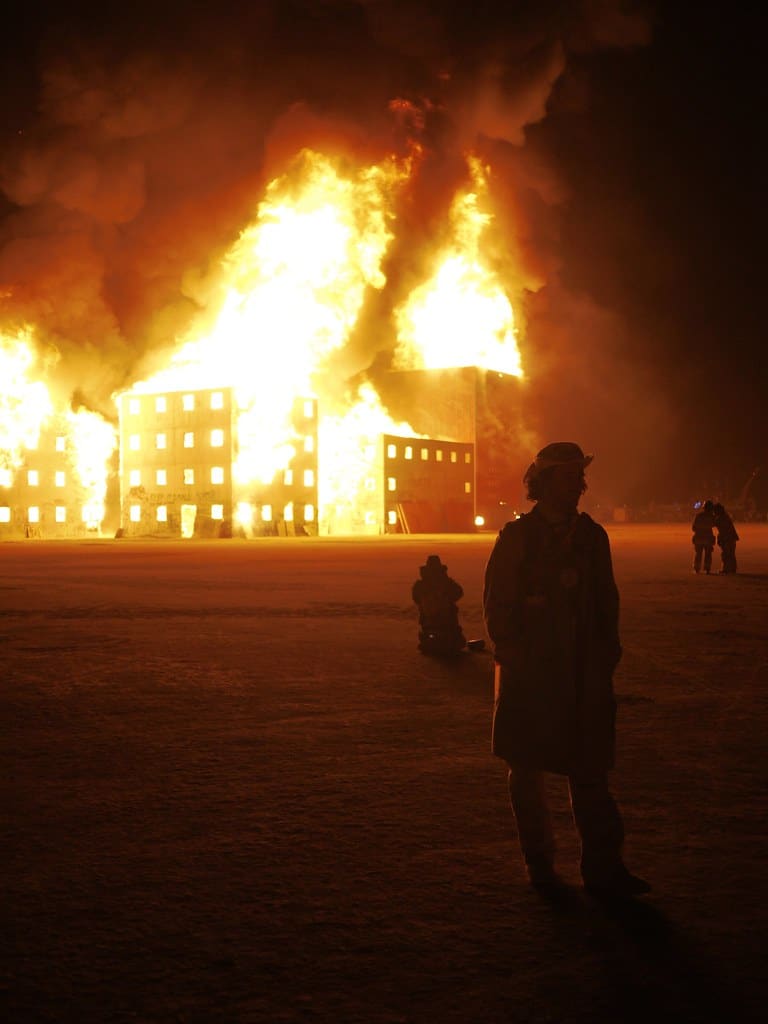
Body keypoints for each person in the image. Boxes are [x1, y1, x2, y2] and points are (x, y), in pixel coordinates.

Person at [483, 442, 650, 899]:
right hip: (530, 678)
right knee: (526, 773)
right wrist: (517, 658)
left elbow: (606, 602)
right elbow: (498, 608)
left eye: (581, 475)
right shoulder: (517, 539)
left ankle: (604, 869)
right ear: (546, 481)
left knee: (591, 772)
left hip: (582, 677)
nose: (581, 483)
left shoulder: (592, 537)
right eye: (571, 475)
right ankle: (540, 866)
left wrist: (605, 656)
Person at [412, 554, 467, 657]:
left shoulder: (422, 585)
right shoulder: (427, 585)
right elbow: (458, 592)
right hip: (437, 624)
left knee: (455, 641)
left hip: (443, 625)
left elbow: (458, 592)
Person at [713, 502, 739, 574]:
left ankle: (726, 569)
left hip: (727, 538)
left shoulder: (720, 518)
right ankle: (732, 569)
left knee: (726, 554)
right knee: (731, 554)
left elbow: (714, 523)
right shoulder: (725, 516)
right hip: (731, 537)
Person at [691, 500, 716, 574]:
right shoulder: (712, 517)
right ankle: (707, 569)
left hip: (699, 537)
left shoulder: (698, 516)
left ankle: (696, 569)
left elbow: (693, 528)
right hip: (708, 537)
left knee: (698, 554)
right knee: (708, 554)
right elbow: (714, 524)